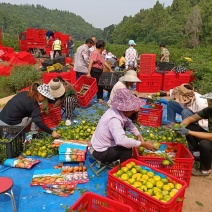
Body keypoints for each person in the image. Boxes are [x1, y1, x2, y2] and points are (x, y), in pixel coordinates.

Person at [90, 88, 157, 163]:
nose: (133, 112)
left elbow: (128, 122)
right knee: (127, 149)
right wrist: (143, 144)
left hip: (98, 146)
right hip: (100, 152)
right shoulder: (114, 120)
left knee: (127, 142)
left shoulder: (116, 111)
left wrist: (138, 134)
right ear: (126, 110)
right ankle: (123, 168)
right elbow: (121, 141)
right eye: (132, 111)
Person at [176, 92, 212, 176]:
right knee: (190, 126)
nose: (210, 103)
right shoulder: (209, 110)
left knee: (205, 144)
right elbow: (191, 118)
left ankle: (205, 170)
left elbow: (211, 136)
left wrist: (189, 132)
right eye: (210, 101)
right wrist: (181, 126)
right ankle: (197, 153)